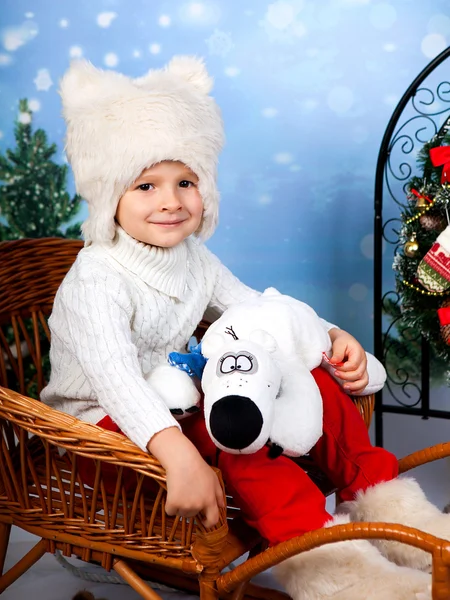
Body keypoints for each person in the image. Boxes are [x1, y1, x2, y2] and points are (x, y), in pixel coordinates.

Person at [41, 56, 443, 599]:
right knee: (240, 432)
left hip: (174, 402)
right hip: (103, 433)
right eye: (145, 186)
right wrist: (177, 453)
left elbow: (258, 309)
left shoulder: (192, 257)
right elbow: (117, 380)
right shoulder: (97, 277)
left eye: (185, 181)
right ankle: (334, 569)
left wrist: (326, 338)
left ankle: (394, 510)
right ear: (108, 196)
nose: (170, 200)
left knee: (309, 378)